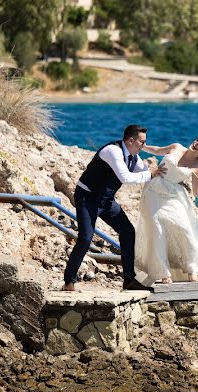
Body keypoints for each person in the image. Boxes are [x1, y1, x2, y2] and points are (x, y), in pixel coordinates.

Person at [63, 124, 166, 292]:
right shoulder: (113, 151)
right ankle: (69, 282)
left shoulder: (134, 157)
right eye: (142, 142)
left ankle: (129, 280)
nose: (144, 146)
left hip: (106, 201)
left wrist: (170, 175)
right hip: (87, 197)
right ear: (131, 140)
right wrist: (150, 174)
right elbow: (126, 177)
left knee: (128, 231)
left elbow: (147, 174)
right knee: (85, 238)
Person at [134, 137, 198, 288]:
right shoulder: (176, 147)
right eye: (197, 140)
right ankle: (164, 273)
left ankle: (192, 269)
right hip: (154, 191)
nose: (197, 143)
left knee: (185, 229)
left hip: (173, 195)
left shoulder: (197, 167)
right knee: (157, 229)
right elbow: (157, 150)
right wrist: (140, 146)